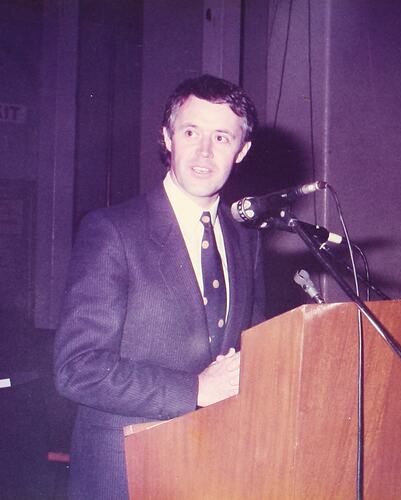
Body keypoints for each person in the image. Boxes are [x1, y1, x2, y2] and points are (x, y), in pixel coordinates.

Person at [54, 74, 265, 500]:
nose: (204, 152)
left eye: (222, 137)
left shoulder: (247, 238)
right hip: (126, 473)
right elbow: (77, 369)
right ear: (167, 138)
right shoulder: (112, 231)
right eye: (191, 132)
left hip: (218, 468)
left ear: (241, 150)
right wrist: (197, 389)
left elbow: (252, 351)